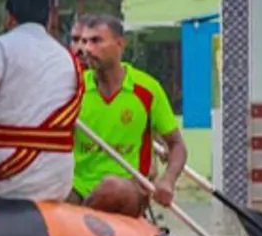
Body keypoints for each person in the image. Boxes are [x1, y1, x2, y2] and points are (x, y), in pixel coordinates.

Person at [0, 0, 84, 201]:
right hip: (59, 177)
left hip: (7, 174)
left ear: (9, 18)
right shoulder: (67, 57)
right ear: (48, 21)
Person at [72, 15, 188, 212]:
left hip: (130, 188)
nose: (87, 49)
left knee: (112, 187)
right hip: (78, 187)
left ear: (120, 44)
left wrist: (167, 180)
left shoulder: (147, 89)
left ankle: (82, 219)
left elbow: (177, 145)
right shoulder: (74, 88)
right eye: (84, 42)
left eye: (96, 41)